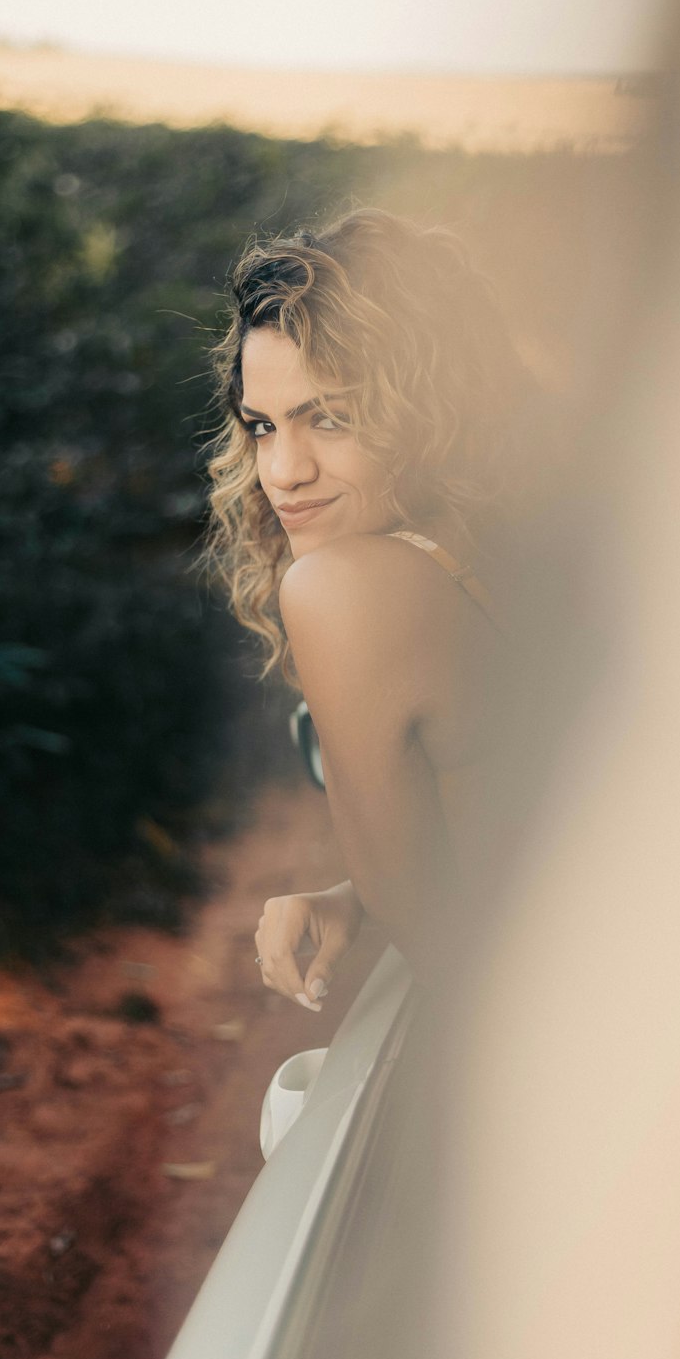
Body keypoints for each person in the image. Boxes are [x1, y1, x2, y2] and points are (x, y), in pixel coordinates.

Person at [205, 208, 537, 1008]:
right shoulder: (510, 552)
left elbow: (456, 964)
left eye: (331, 418)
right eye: (262, 426)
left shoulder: (343, 589)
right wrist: (361, 895)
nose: (283, 472)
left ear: (429, 411)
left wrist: (393, 900)